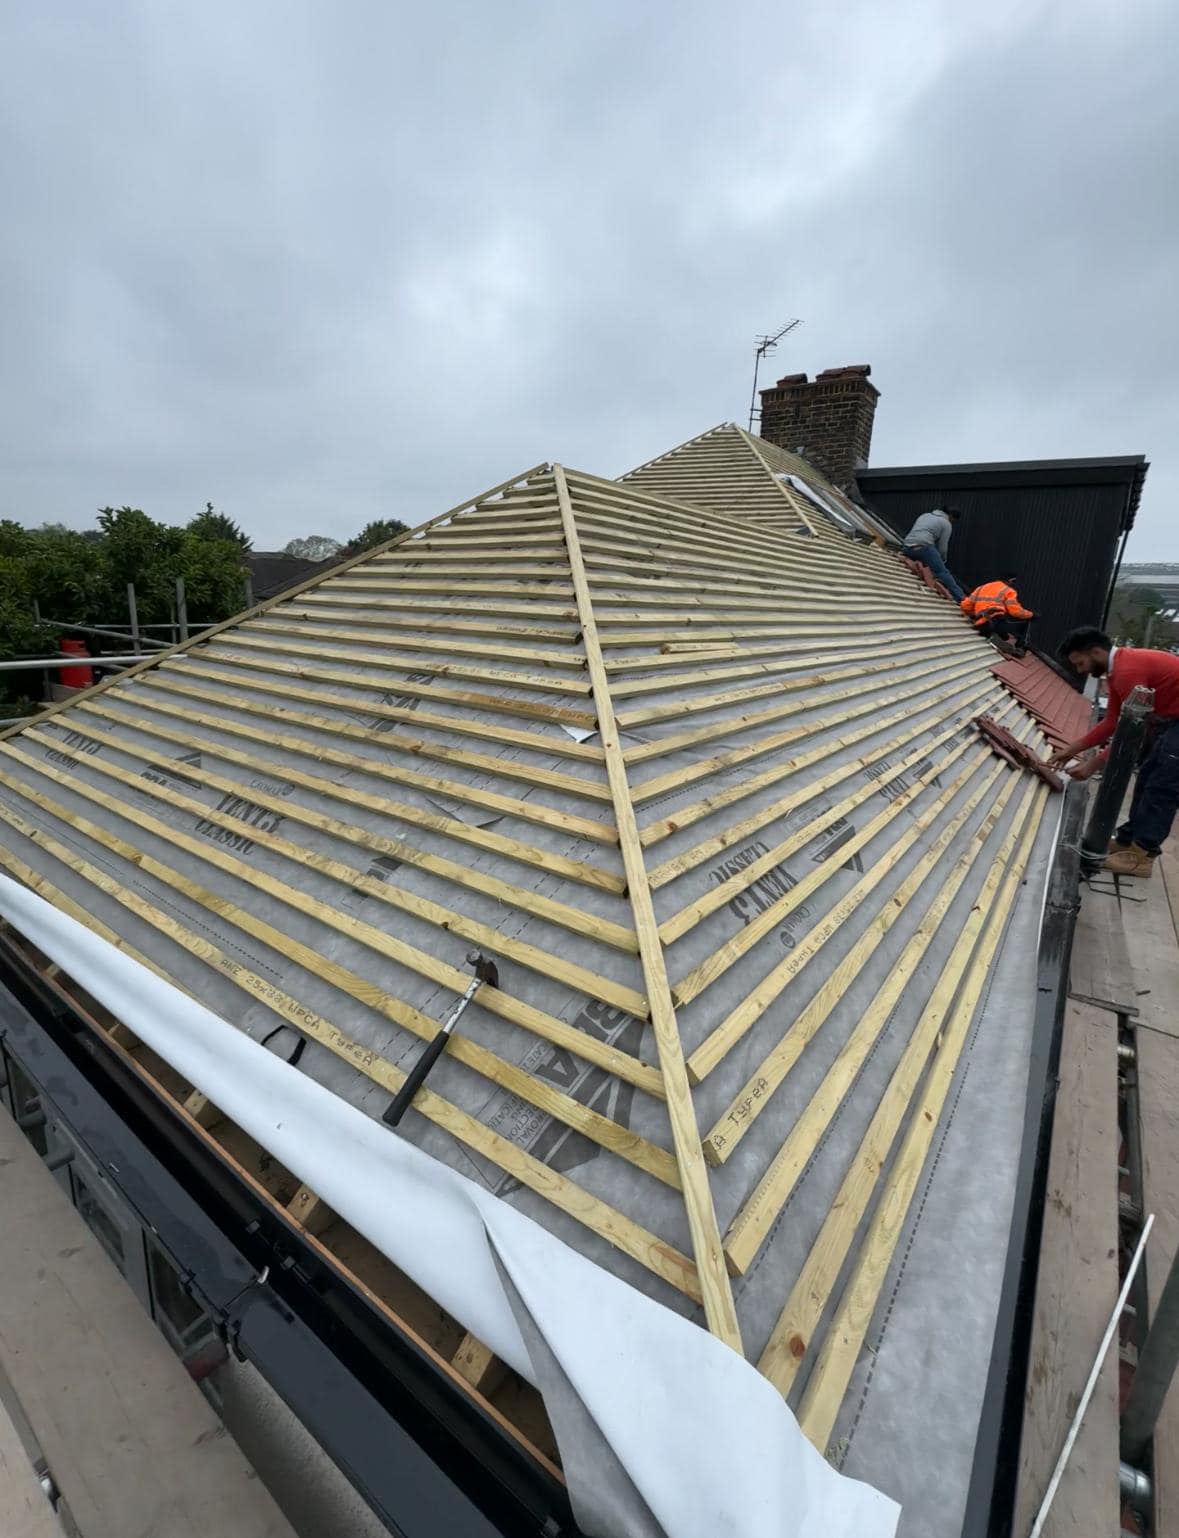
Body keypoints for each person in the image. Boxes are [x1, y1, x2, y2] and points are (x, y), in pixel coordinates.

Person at [1049, 627, 1179, 878]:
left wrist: (1092, 765)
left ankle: (1142, 856)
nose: (1080, 671)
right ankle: (1128, 841)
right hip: (1174, 721)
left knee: (1162, 785)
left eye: (1081, 663)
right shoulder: (1117, 670)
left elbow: (1131, 732)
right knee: (1147, 777)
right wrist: (1071, 750)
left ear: (1096, 651)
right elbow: (1111, 722)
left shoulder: (1128, 671)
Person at [960, 572, 1035, 655]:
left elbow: (965, 606)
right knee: (1027, 621)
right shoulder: (1008, 591)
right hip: (996, 623)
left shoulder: (982, 587)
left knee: (1003, 634)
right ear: (1010, 580)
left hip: (981, 625)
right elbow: (1015, 611)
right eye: (1013, 582)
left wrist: (976, 614)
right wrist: (1032, 615)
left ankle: (995, 635)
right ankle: (1020, 648)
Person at [900, 506, 965, 602]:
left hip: (907, 548)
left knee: (929, 560)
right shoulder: (946, 523)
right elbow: (942, 547)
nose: (952, 522)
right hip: (924, 547)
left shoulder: (925, 515)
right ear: (951, 516)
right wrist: (942, 560)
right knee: (943, 572)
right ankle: (962, 598)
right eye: (953, 520)